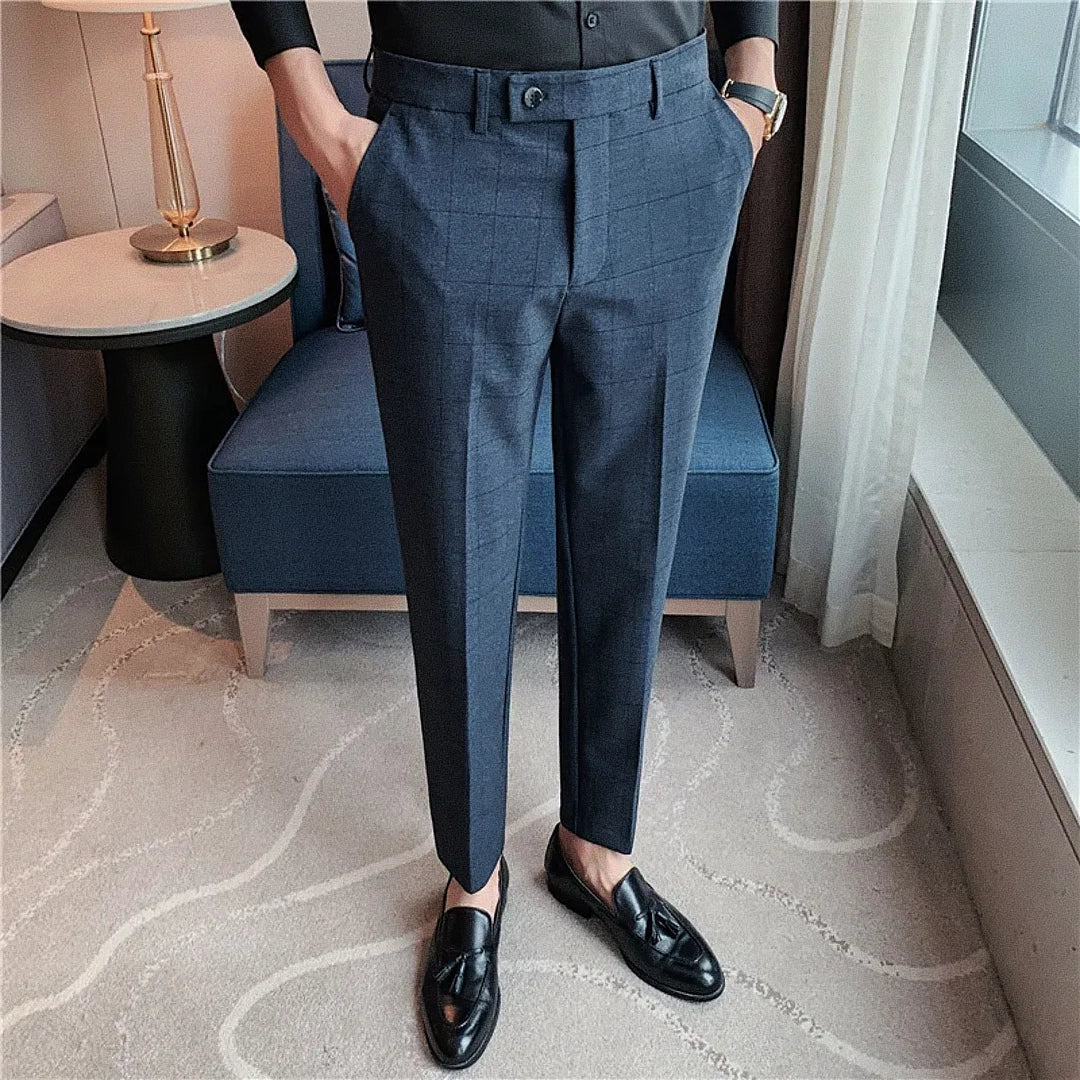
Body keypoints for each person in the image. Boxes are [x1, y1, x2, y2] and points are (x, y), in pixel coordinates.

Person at [230, 1, 784, 1069]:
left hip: (670, 143)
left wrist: (751, 91)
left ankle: (597, 848)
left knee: (634, 539)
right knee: (457, 550)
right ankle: (472, 877)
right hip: (450, 155)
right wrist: (317, 120)